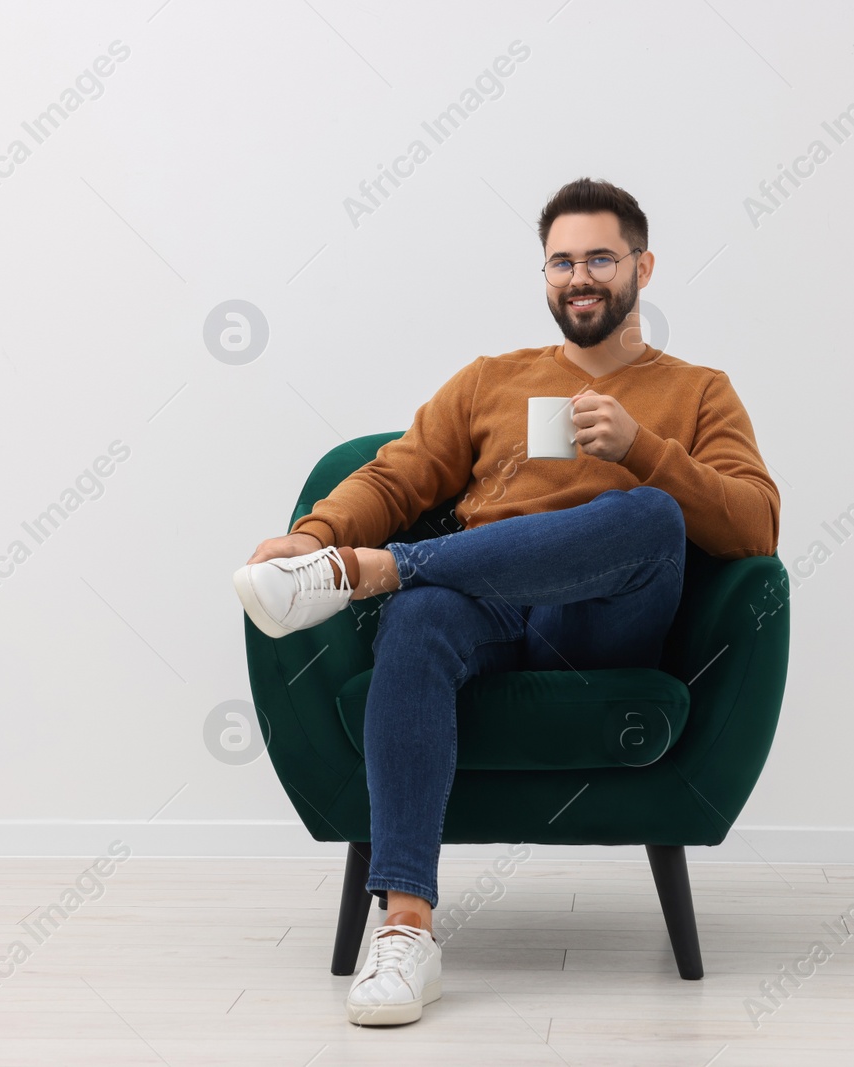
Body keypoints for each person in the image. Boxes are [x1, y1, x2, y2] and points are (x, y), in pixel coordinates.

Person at [233, 177, 780, 1026]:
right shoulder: (492, 380)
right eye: (561, 261)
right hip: (483, 607)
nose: (580, 276)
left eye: (601, 256)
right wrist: (313, 536)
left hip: (604, 622)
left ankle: (385, 569)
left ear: (643, 265)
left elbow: (756, 530)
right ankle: (405, 930)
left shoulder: (700, 390)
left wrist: (645, 450)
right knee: (419, 617)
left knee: (647, 515)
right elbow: (397, 474)